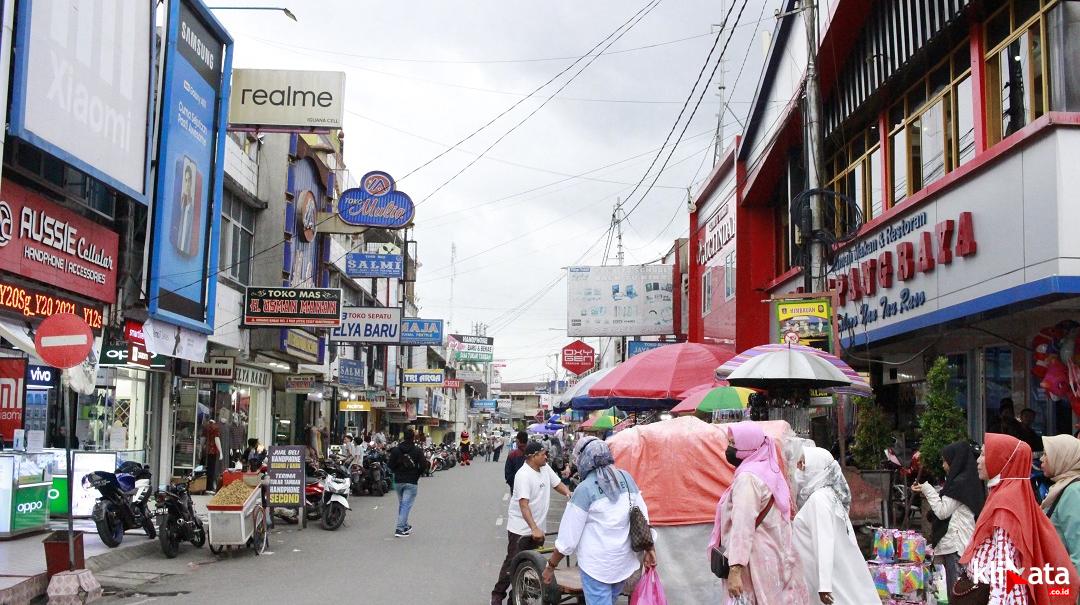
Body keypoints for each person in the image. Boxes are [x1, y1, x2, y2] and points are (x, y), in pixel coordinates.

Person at [961, 433, 1079, 604]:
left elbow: (1004, 567)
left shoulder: (1006, 501)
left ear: (1002, 459)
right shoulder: (1014, 492)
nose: (978, 460)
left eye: (985, 454)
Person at [543, 437, 656, 604]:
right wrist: (650, 548)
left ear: (584, 459)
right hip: (623, 564)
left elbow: (568, 539)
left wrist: (550, 566)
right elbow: (643, 519)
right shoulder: (626, 479)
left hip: (597, 568)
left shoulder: (584, 489)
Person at [708, 422, 809, 604]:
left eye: (733, 444)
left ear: (747, 446)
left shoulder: (748, 479)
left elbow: (742, 525)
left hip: (753, 562)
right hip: (773, 556)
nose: (729, 449)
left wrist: (735, 569)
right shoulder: (768, 471)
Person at [792, 447, 879, 605]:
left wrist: (824, 585)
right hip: (830, 573)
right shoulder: (829, 495)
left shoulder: (819, 499)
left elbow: (824, 541)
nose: (798, 470)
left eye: (803, 465)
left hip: (826, 581)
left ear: (816, 468)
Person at [491, 441, 571, 605]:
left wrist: (569, 493)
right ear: (533, 456)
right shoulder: (523, 475)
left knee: (530, 564)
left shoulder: (545, 468)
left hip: (538, 528)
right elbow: (523, 504)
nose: (546, 456)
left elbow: (557, 484)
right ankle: (497, 595)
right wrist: (533, 528)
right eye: (543, 454)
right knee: (513, 562)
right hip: (520, 528)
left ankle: (516, 597)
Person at [911, 441, 984, 592]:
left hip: (957, 546)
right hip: (959, 543)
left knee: (956, 591)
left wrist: (927, 489)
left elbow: (943, 511)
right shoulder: (967, 480)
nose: (944, 465)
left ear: (954, 461)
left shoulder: (961, 483)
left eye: (945, 461)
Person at [1040, 435, 1080, 573]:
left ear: (1062, 457)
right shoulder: (1061, 487)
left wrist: (1073, 591)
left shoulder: (1073, 492)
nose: (1041, 459)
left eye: (1046, 454)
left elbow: (1078, 548)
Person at [389, 428, 427, 537]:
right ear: (413, 437)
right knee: (405, 505)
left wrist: (397, 471)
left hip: (399, 481)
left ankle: (405, 525)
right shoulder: (417, 450)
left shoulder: (396, 450)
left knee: (403, 504)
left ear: (403, 436)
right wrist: (417, 474)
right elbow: (424, 465)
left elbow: (390, 465)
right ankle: (400, 529)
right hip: (411, 481)